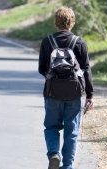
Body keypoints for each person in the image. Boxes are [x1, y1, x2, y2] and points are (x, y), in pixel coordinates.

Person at [38, 6, 94, 169]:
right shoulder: (79, 42)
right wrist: (89, 95)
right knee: (72, 131)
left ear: (56, 23)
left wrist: (54, 77)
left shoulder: (47, 41)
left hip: (52, 92)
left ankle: (54, 153)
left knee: (51, 127)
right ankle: (67, 166)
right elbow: (87, 69)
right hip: (74, 92)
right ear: (72, 22)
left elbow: (42, 68)